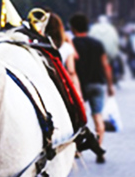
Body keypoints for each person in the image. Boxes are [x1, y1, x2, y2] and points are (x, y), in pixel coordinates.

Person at [69, 13, 114, 163]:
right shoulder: (97, 44)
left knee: (77, 118)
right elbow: (105, 66)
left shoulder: (71, 44)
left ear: (73, 28)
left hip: (78, 86)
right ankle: (99, 149)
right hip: (97, 83)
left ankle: (76, 150)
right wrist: (110, 85)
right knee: (98, 116)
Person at [45, 13, 82, 100]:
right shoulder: (66, 47)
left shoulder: (37, 46)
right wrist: (78, 95)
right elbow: (71, 71)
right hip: (61, 86)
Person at [89, 15, 121, 82]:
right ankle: (115, 76)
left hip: (97, 54)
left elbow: (90, 40)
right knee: (112, 64)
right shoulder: (112, 28)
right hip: (110, 54)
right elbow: (116, 41)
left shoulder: (94, 28)